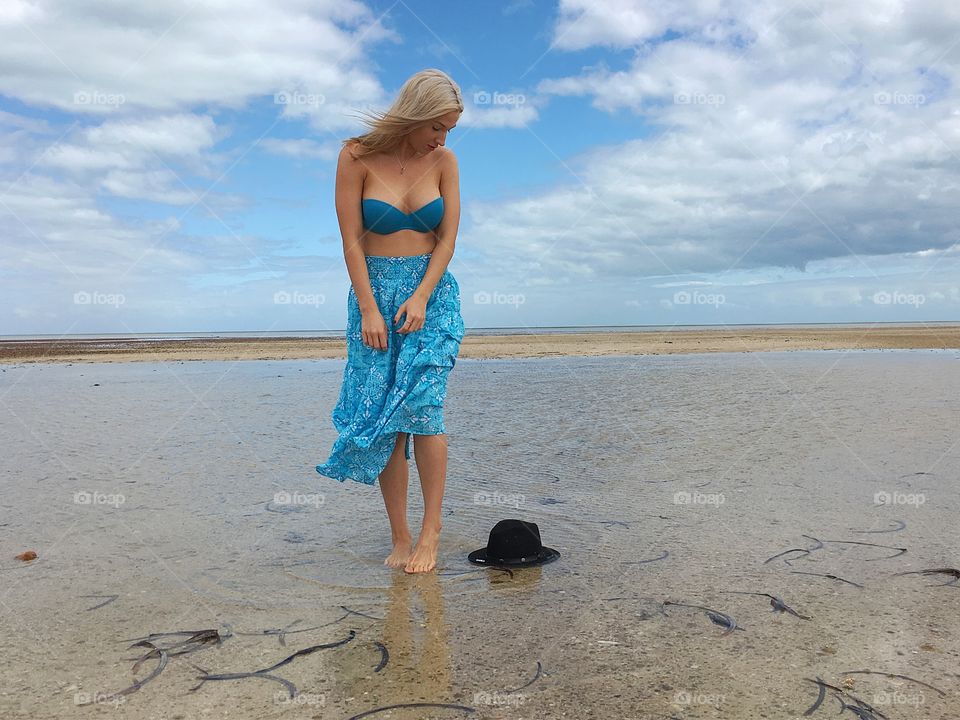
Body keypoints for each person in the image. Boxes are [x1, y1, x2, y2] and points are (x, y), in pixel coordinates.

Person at [316, 69, 465, 574]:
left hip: (432, 294)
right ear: (415, 115)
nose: (441, 138)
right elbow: (351, 240)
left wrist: (423, 295)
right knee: (387, 421)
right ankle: (400, 536)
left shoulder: (445, 162)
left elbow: (446, 239)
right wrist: (369, 309)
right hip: (373, 293)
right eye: (436, 127)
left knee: (425, 408)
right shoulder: (355, 156)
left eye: (448, 130)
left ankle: (431, 533)